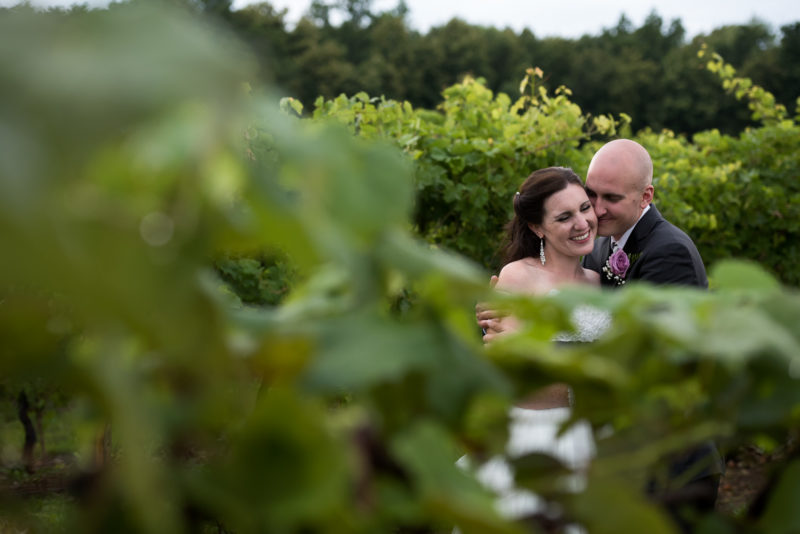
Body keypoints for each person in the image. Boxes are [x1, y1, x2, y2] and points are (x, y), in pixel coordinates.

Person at [480, 139, 723, 531]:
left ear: (646, 196)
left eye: (609, 198)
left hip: (669, 461)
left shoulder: (667, 252)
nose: (593, 212)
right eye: (591, 196)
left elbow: (656, 365)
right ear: (537, 226)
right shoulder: (595, 253)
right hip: (566, 443)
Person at [464, 166, 605, 530]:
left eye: (584, 208)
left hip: (591, 437)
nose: (582, 223)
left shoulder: (598, 281)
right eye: (564, 217)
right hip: (535, 436)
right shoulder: (518, 276)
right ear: (537, 228)